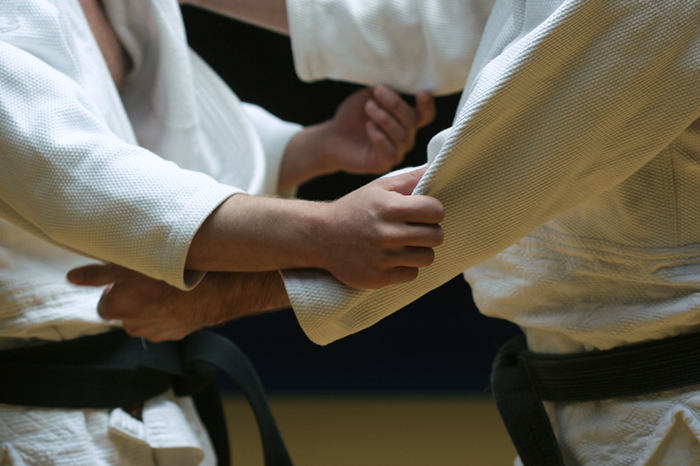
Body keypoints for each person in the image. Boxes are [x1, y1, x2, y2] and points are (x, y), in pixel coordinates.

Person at [74, 0, 700, 464]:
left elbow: (507, 172)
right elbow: (444, 17)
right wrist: (309, 154)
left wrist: (233, 286)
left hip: (668, 405)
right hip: (594, 405)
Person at [0, 0, 444, 464]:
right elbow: (63, 167)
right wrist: (322, 231)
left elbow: (143, 130)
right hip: (35, 409)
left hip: (156, 404)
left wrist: (309, 147)